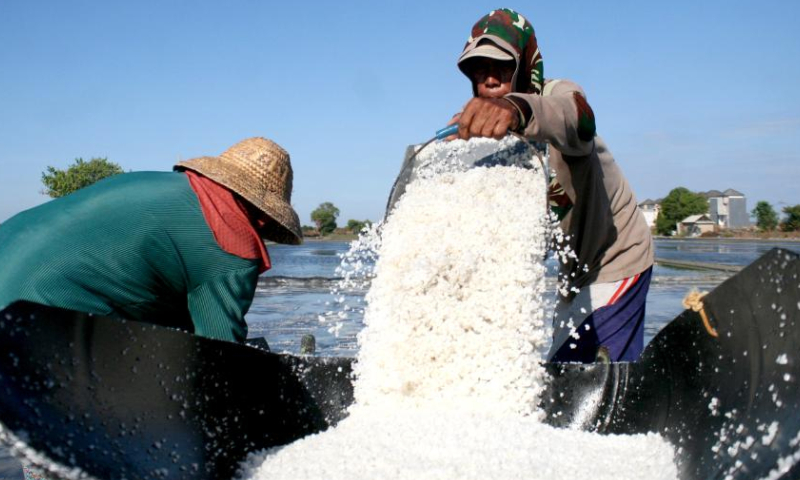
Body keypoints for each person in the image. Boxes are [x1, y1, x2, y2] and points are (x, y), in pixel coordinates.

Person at [452, 8, 654, 363]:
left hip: (616, 255)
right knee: (562, 370)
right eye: (479, 69)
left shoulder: (557, 97)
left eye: (502, 66)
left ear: (526, 66)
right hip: (573, 275)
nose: (490, 79)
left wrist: (515, 108)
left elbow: (579, 120)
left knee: (604, 380)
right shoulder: (490, 141)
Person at [0, 137, 302, 343]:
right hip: (36, 317)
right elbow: (219, 349)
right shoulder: (231, 239)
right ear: (264, 217)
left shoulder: (151, 183)